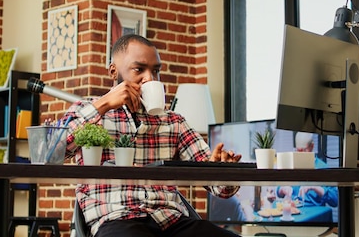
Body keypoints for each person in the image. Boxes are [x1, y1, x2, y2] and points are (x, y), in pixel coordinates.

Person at [59, 34, 243, 237]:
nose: (150, 79)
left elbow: (220, 189)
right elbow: (55, 152)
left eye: (156, 71)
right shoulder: (89, 110)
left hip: (171, 221)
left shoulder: (173, 122)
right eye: (139, 69)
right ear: (113, 71)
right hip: (117, 219)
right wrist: (104, 104)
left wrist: (222, 170)